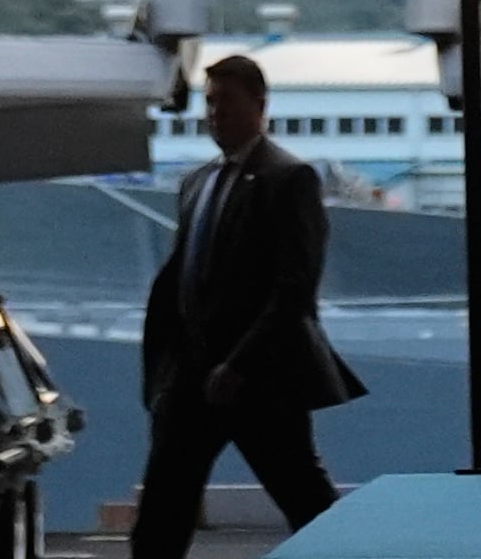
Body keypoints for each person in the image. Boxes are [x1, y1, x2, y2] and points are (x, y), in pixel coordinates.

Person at [132, 57, 363, 559]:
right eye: (210, 102)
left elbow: (294, 288)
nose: (216, 113)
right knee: (160, 516)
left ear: (260, 106)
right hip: (192, 378)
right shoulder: (196, 183)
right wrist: (168, 369)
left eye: (228, 102)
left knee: (305, 499)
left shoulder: (289, 178)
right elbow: (182, 278)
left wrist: (240, 364)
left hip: (262, 379)